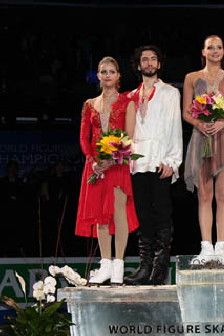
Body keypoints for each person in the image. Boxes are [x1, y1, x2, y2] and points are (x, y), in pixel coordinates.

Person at [75, 56, 139, 285]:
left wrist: (113, 160)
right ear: (98, 76)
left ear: (118, 76)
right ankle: (105, 265)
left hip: (117, 165)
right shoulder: (89, 104)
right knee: (100, 215)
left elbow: (130, 138)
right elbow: (84, 137)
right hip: (95, 166)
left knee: (118, 211)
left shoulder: (127, 102)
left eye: (112, 71)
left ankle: (119, 265)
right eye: (103, 71)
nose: (107, 75)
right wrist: (92, 160)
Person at [123, 45, 183, 286]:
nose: (148, 63)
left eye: (153, 59)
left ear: (159, 64)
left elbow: (175, 128)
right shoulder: (130, 97)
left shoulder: (170, 93)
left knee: (161, 214)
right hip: (137, 162)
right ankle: (144, 265)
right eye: (144, 60)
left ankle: (160, 266)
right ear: (138, 66)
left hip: (160, 160)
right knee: (143, 216)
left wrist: (173, 161)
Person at [183, 35, 224, 264]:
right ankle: (206, 247)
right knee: (204, 195)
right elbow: (186, 112)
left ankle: (221, 248)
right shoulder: (191, 78)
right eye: (210, 47)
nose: (215, 51)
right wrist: (201, 123)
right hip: (202, 139)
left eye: (219, 47)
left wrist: (222, 122)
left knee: (223, 196)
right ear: (203, 51)